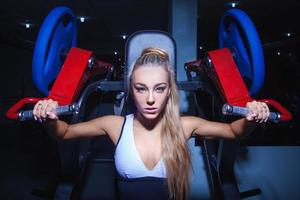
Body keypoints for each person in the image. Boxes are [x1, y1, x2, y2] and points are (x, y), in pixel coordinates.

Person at [33, 47, 270, 200]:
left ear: (169, 92)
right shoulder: (115, 125)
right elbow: (63, 133)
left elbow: (233, 131)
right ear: (131, 90)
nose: (149, 99)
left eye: (159, 89)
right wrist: (48, 117)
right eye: (140, 89)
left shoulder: (184, 126)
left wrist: (251, 117)